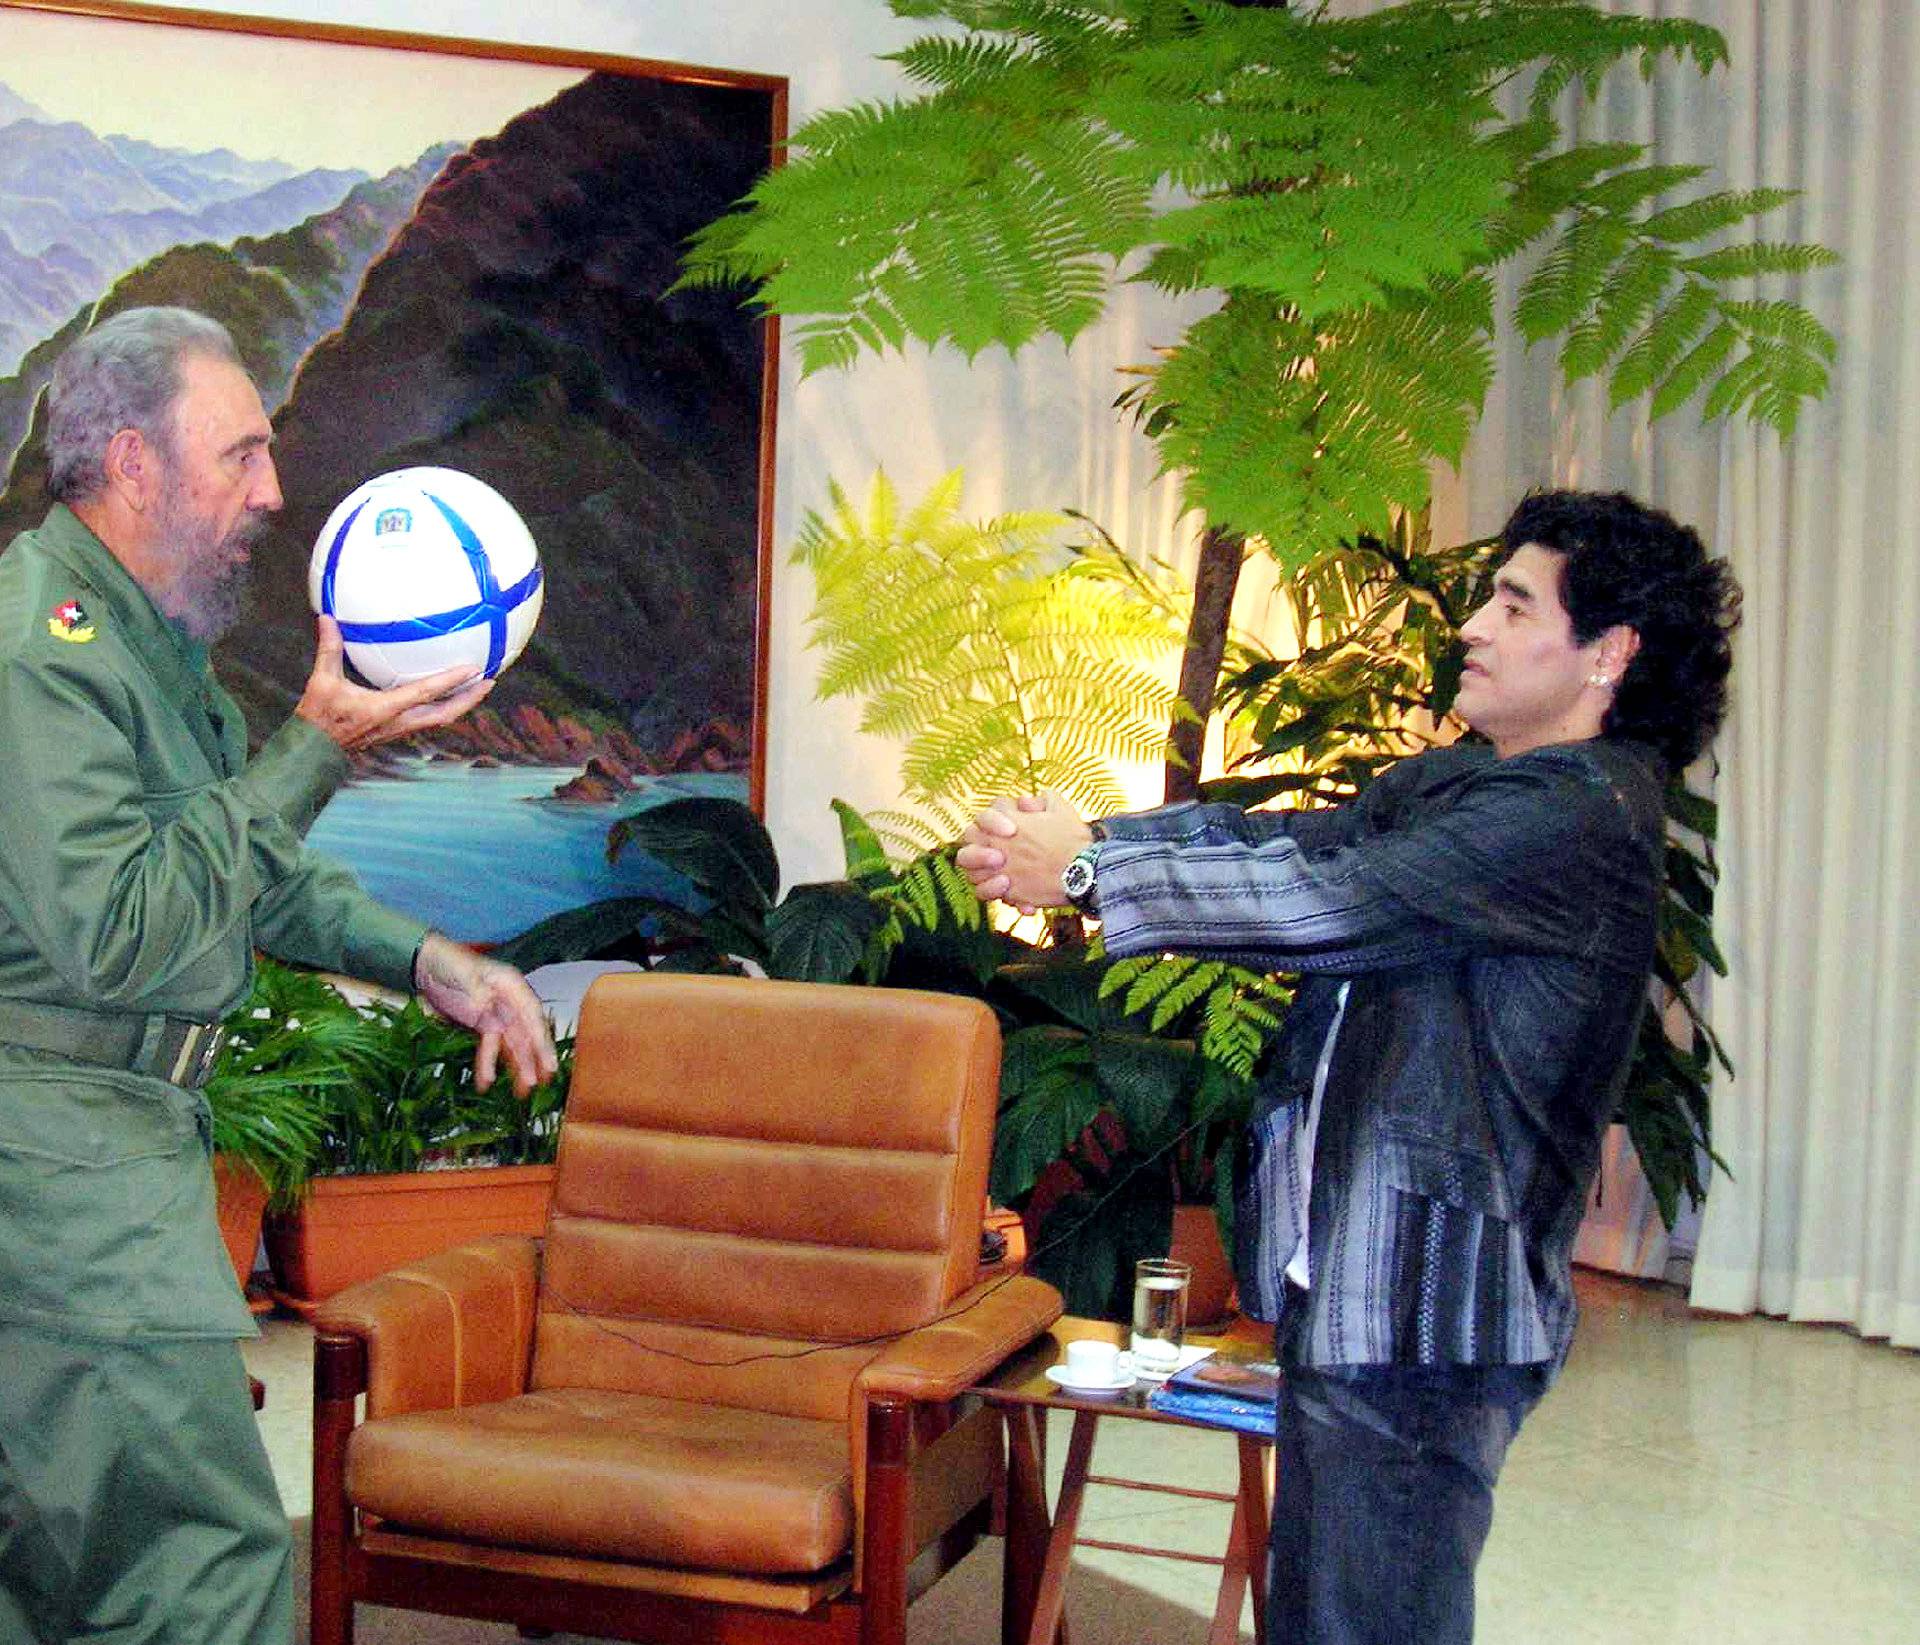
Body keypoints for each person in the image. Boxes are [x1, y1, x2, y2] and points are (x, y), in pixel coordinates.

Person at [958, 490, 1741, 1644]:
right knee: (1323, 1616)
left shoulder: (1579, 815)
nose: (1473, 623)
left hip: (1435, 1314)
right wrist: (1086, 843)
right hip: (1365, 1294)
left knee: (1370, 1623)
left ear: (1608, 655)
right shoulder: (1465, 786)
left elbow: (1333, 902)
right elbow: (1289, 842)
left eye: (1516, 603)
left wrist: (1084, 877)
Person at [0, 307, 558, 1645]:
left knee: (54, 1575)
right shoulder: (47, 655)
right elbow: (127, 929)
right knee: (202, 1571)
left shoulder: (137, 639)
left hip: (88, 1158)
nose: (274, 490)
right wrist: (311, 741)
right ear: (134, 464)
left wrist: (428, 960)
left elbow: (244, 860)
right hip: (66, 1182)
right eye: (241, 454)